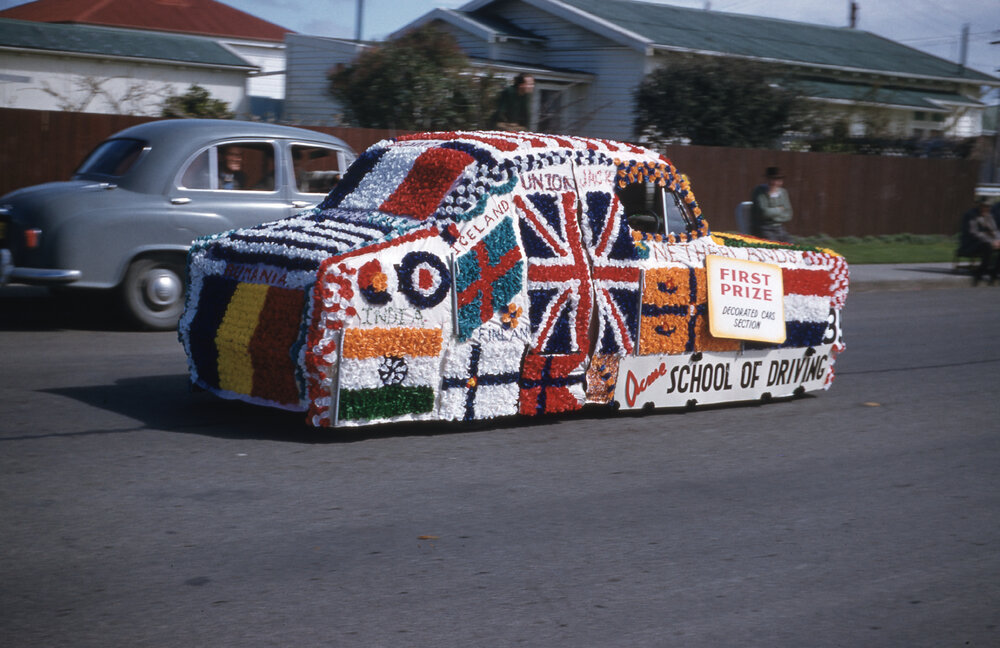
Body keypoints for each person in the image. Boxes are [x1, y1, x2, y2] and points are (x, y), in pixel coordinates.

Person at [958, 197, 1000, 286]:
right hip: (970, 243)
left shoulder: (988, 216)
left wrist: (997, 240)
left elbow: (994, 230)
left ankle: (994, 272)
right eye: (984, 206)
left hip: (984, 242)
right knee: (987, 247)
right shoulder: (971, 215)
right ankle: (979, 274)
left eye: (988, 207)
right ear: (979, 206)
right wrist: (991, 241)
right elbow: (975, 233)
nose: (987, 208)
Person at [750, 166, 793, 242]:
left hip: (779, 228)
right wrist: (779, 209)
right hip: (763, 228)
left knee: (792, 246)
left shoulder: (783, 192)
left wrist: (773, 215)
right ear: (767, 179)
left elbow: (788, 214)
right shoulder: (759, 191)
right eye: (773, 179)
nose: (775, 182)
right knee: (774, 247)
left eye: (778, 180)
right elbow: (764, 213)